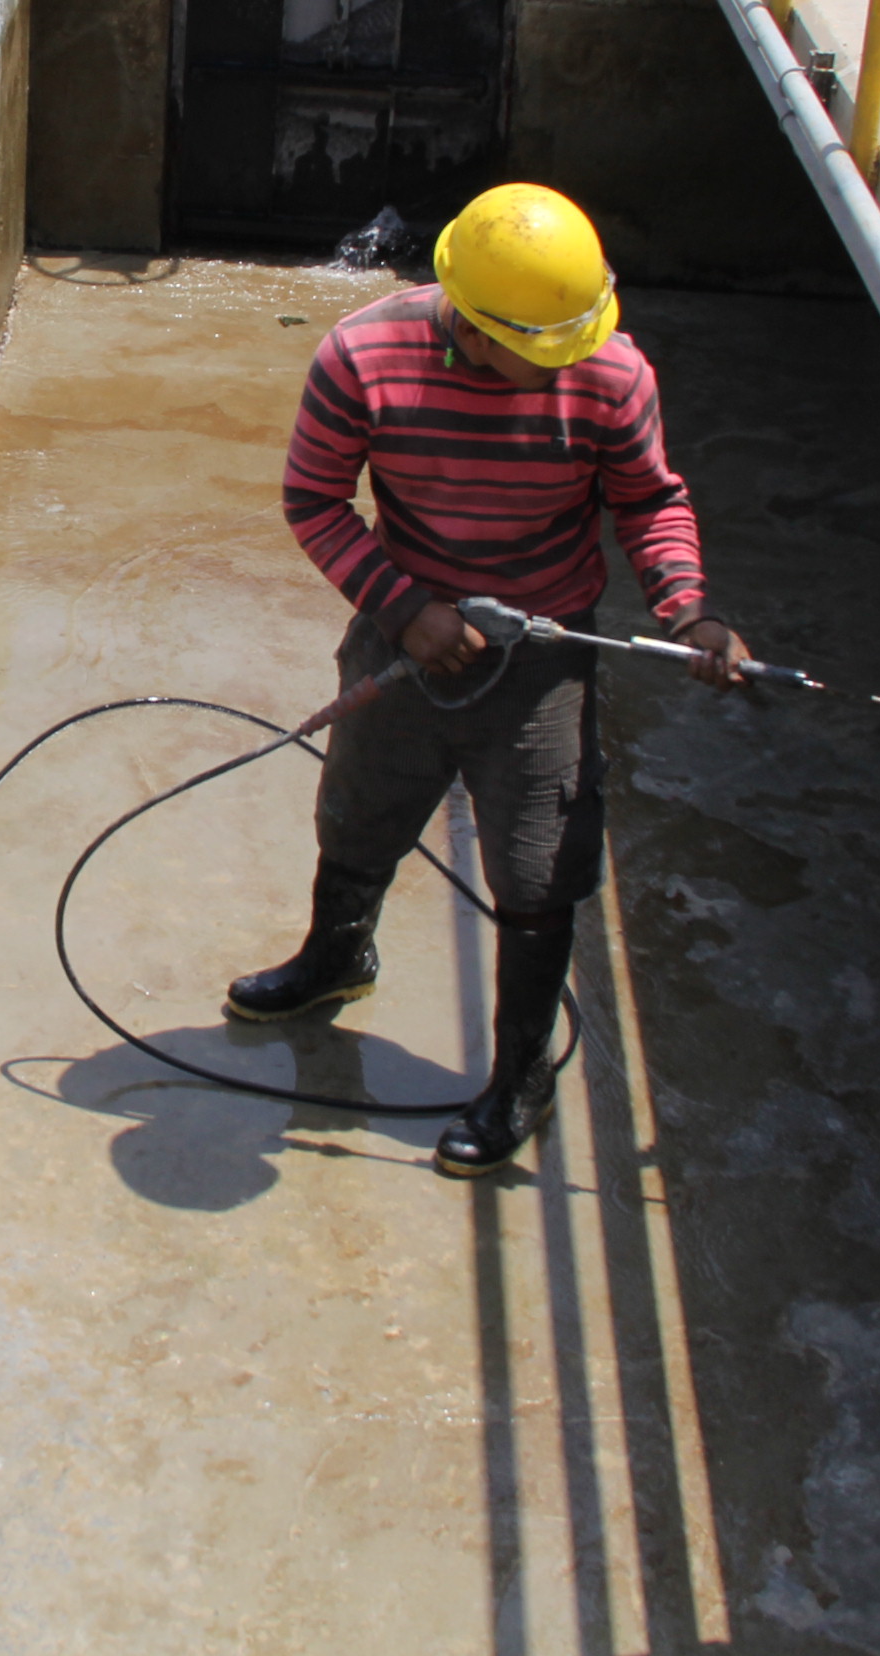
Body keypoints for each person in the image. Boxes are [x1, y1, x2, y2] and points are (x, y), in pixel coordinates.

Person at [241, 183, 752, 1179]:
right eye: (545, 349)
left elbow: (650, 501)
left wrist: (686, 607)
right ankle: (336, 955)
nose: (572, 363)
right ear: (472, 330)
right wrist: (406, 611)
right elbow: (314, 499)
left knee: (536, 869)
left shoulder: (611, 372)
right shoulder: (361, 358)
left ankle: (519, 1074)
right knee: (360, 813)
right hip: (406, 642)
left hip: (544, 655)